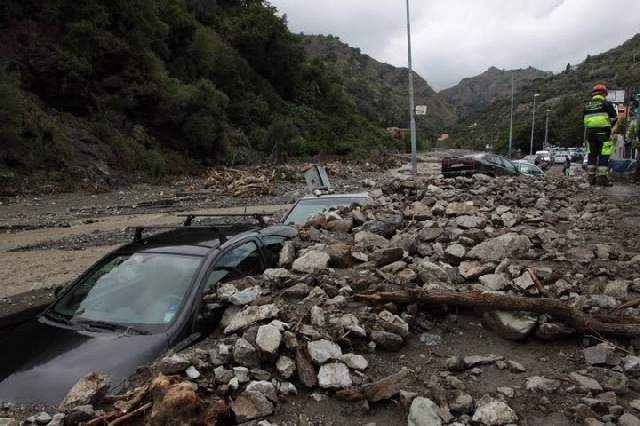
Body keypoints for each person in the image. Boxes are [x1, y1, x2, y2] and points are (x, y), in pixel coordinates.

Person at [583, 84, 618, 186]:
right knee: (603, 155)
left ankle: (591, 179)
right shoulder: (606, 103)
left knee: (592, 155)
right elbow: (614, 118)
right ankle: (601, 180)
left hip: (590, 133)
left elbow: (585, 120)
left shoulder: (587, 105)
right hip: (603, 132)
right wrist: (609, 126)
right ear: (604, 93)